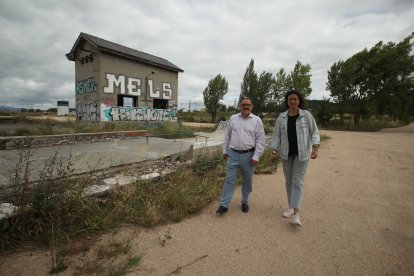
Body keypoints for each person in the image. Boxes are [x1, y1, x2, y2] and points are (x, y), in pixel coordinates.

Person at [270, 90, 320, 226]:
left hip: (302, 154)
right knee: (288, 181)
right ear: (287, 101)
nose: (292, 101)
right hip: (286, 154)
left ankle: (297, 214)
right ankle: (290, 207)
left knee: (297, 182)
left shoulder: (306, 116)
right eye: (290, 99)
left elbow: (314, 132)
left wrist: (315, 148)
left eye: (295, 99)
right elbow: (276, 136)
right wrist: (274, 151)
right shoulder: (282, 117)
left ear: (299, 101)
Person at [216, 98, 266, 214]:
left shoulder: (257, 120)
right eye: (243, 104)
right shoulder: (233, 118)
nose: (245, 107)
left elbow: (260, 140)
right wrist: (225, 150)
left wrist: (256, 156)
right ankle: (224, 204)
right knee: (229, 179)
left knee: (247, 181)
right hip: (233, 154)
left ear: (252, 106)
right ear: (239, 106)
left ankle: (245, 201)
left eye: (248, 105)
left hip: (249, 155)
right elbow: (227, 136)